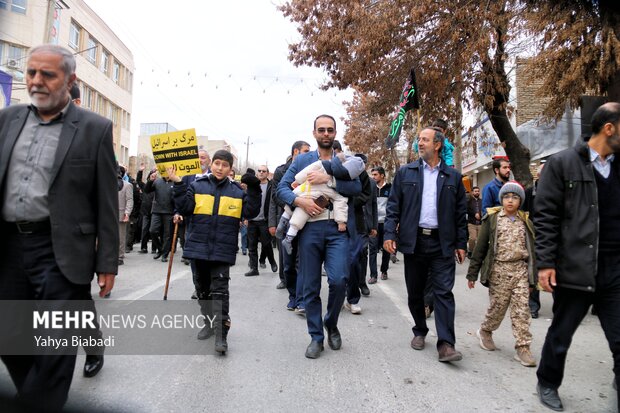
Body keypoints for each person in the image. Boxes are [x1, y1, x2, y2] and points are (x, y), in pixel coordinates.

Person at [0, 44, 118, 410]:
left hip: (61, 252)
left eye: (46, 74)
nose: (36, 81)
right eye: (31, 72)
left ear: (70, 80)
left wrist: (107, 263)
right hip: (8, 249)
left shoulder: (95, 129)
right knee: (9, 337)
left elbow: (106, 201)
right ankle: (37, 396)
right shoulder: (7, 119)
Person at [534, 102, 620, 412]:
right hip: (575, 266)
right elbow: (545, 217)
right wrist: (545, 264)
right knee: (561, 335)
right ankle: (547, 382)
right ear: (608, 128)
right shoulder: (563, 164)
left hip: (614, 268)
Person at [277, 114, 363, 359]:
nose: (326, 133)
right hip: (310, 230)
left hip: (338, 230)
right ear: (314, 133)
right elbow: (282, 187)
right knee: (310, 286)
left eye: (330, 130)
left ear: (335, 133)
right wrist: (298, 199)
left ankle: (331, 322)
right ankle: (316, 337)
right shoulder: (303, 159)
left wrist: (331, 179)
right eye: (321, 130)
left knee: (338, 280)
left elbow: (358, 189)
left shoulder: (346, 160)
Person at [384, 126, 468, 363]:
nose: (419, 143)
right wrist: (389, 234)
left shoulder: (453, 176)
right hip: (415, 241)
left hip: (442, 243)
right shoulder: (405, 173)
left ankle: (446, 344)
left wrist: (461, 243)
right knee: (415, 293)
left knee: (443, 292)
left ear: (438, 145)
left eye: (425, 140)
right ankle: (420, 330)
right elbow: (393, 207)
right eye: (418, 140)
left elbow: (460, 213)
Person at [170, 150, 261, 354]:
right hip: (198, 248)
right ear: (212, 164)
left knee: (220, 293)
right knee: (202, 291)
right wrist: (177, 183)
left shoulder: (237, 191)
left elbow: (251, 211)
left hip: (222, 251)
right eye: (217, 163)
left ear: (230, 169)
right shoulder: (196, 185)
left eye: (225, 165)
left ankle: (221, 335)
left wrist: (254, 189)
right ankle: (208, 323)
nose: (220, 168)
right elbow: (184, 207)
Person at [466, 181, 537, 367]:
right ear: (501, 199)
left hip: (520, 270)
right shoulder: (493, 219)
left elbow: (533, 252)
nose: (510, 200)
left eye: (515, 197)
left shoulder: (525, 221)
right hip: (499, 270)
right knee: (497, 308)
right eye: (506, 197)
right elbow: (480, 248)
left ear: (520, 200)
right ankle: (486, 331)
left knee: (522, 310)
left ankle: (523, 347)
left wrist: (532, 279)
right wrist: (472, 274)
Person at [276, 152, 355, 254]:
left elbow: (341, 199)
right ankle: (286, 234)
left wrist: (341, 221)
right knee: (295, 211)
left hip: (308, 194)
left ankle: (287, 237)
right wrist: (298, 181)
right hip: (303, 190)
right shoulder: (321, 164)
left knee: (297, 216)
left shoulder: (333, 181)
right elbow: (307, 172)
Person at [269, 141, 311, 304]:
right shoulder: (281, 171)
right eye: (306, 151)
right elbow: (276, 196)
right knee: (288, 264)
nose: (309, 154)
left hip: (306, 221)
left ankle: (300, 299)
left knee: (303, 263)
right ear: (295, 152)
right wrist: (295, 203)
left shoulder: (311, 168)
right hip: (287, 220)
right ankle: (292, 294)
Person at [344, 153, 377, 312]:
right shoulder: (331, 170)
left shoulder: (364, 178)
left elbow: (370, 200)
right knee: (342, 262)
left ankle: (356, 292)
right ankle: (342, 292)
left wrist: (350, 202)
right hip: (336, 222)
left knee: (357, 257)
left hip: (358, 224)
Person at [245, 165, 278, 276]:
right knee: (252, 245)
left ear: (267, 173)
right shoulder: (252, 186)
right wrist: (245, 217)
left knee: (266, 243)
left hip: (264, 220)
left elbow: (274, 202)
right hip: (252, 220)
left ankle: (272, 261)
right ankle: (254, 268)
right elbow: (246, 201)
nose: (261, 173)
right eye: (259, 171)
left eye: (263, 171)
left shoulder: (271, 186)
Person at [521, 164, 544, 319]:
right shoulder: (529, 193)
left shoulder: (558, 192)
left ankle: (560, 308)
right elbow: (522, 215)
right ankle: (533, 306)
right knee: (533, 272)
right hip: (533, 238)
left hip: (552, 239)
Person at [145, 167, 175, 262]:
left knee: (167, 234)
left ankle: (164, 255)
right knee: (152, 231)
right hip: (156, 211)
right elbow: (146, 190)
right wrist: (150, 180)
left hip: (169, 212)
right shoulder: (157, 181)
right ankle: (160, 249)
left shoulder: (175, 182)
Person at [369, 166, 392, 283]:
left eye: (375, 175)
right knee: (372, 249)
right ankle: (373, 275)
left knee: (386, 248)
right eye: (372, 175)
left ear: (382, 175)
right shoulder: (370, 188)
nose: (373, 177)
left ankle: (384, 271)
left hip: (386, 223)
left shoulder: (390, 188)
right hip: (374, 224)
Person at [117, 165, 134, 265]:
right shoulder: (108, 184)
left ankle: (120, 256)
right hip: (109, 215)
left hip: (121, 214)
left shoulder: (127, 185)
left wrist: (127, 213)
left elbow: (129, 200)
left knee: (120, 237)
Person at [467, 186, 483, 258]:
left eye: (478, 191)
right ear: (472, 192)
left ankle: (479, 253)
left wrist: (481, 214)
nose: (477, 192)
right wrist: (474, 213)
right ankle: (471, 251)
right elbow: (466, 210)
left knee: (480, 239)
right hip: (472, 223)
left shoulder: (482, 201)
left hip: (480, 223)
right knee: (472, 238)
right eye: (475, 191)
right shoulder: (469, 201)